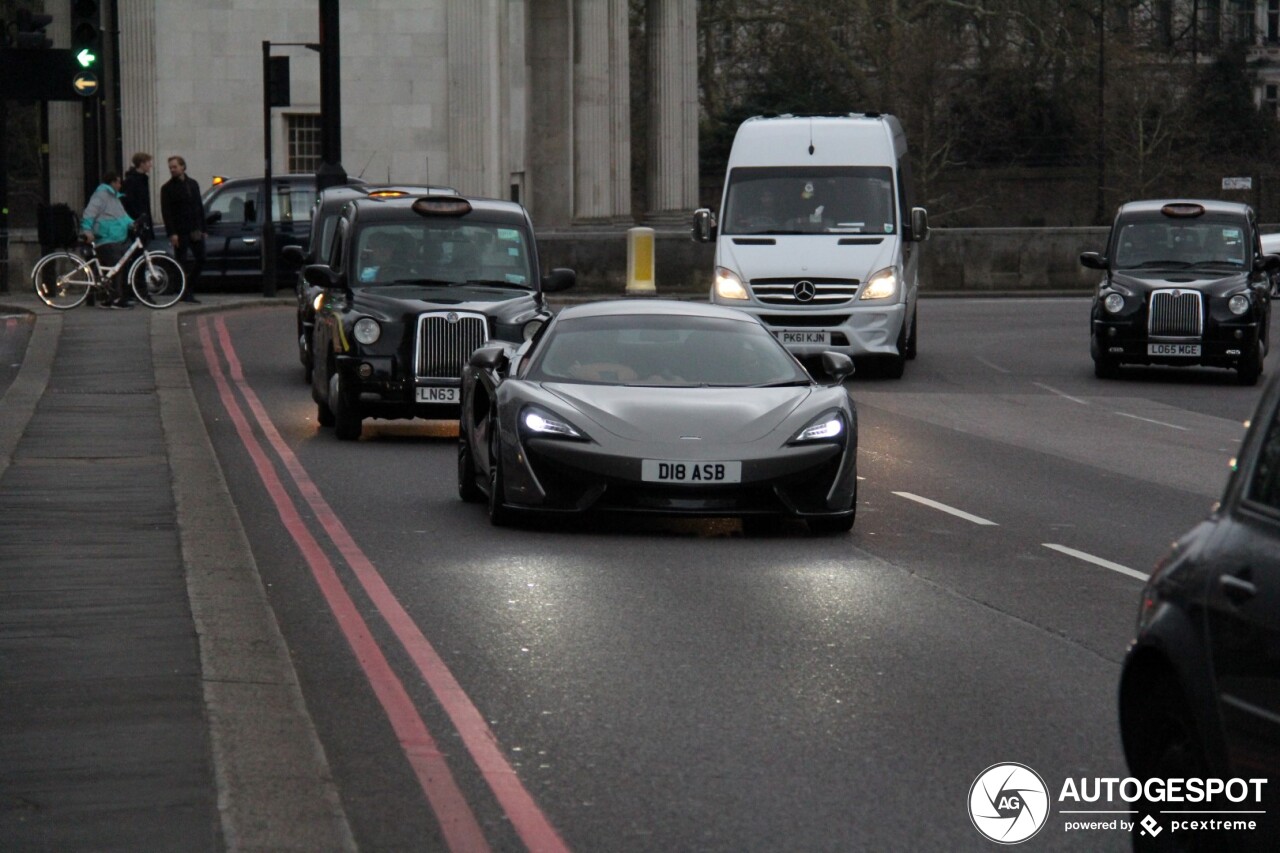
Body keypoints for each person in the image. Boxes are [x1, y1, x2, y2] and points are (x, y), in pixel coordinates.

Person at [80, 171, 135, 308]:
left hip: (114, 237)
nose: (120, 185)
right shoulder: (101, 195)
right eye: (118, 182)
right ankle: (116, 299)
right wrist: (87, 230)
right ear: (112, 182)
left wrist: (133, 223)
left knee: (113, 269)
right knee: (116, 267)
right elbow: (89, 213)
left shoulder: (114, 197)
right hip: (106, 238)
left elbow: (122, 216)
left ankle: (109, 298)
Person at [160, 155, 205, 303]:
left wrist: (203, 228)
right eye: (170, 167)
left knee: (201, 258)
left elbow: (199, 207)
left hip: (194, 229)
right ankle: (184, 293)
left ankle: (189, 287)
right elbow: (167, 213)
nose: (172, 170)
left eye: (175, 167)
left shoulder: (193, 184)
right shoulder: (167, 188)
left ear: (183, 167)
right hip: (179, 231)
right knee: (181, 262)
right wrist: (172, 233)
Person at [121, 152, 153, 233]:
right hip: (137, 219)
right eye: (148, 162)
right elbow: (129, 201)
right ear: (142, 164)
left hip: (142, 218)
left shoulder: (142, 179)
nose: (150, 165)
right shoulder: (132, 180)